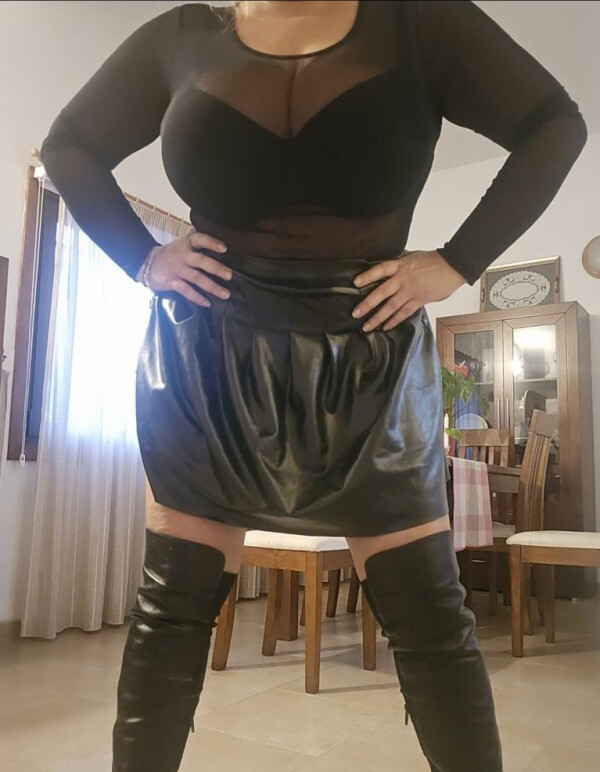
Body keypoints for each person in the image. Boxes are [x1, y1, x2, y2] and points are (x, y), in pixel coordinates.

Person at [39, 1, 587, 770]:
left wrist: (459, 261)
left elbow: (555, 124)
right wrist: (141, 256)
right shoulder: (182, 34)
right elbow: (68, 146)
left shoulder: (419, 22)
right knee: (172, 609)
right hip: (208, 354)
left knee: (429, 619)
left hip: (369, 354)